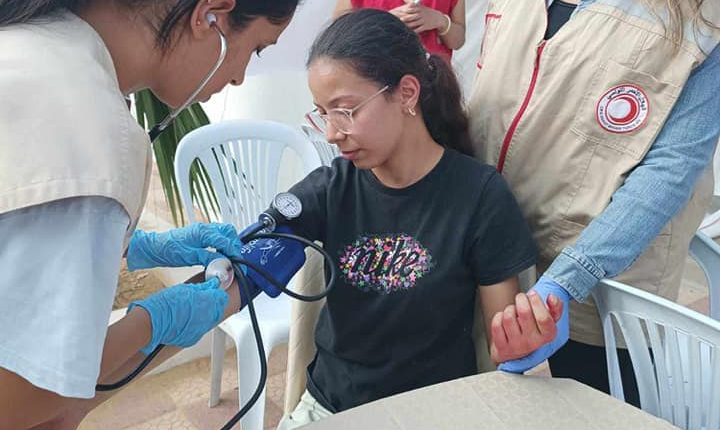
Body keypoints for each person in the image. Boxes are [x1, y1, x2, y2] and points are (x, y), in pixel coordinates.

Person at [0, 1, 303, 428]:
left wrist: (135, 245)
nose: (239, 76)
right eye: (255, 48)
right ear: (210, 15)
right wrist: (152, 322)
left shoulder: (28, 48)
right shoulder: (89, 131)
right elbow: (25, 399)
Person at [277, 9, 563, 429]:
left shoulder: (479, 196)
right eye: (323, 113)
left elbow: (501, 343)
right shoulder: (332, 187)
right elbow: (260, 252)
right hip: (330, 410)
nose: (332, 133)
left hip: (435, 413)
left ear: (407, 93)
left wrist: (522, 342)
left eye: (345, 111)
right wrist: (221, 276)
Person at [468, 0, 720, 405]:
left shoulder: (703, 21)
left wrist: (569, 280)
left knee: (597, 410)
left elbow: (672, 168)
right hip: (499, 258)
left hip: (603, 278)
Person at [333, 0, 465, 62]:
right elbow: (339, 35)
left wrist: (440, 20)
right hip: (382, 85)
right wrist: (382, 20)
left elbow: (458, 42)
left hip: (436, 88)